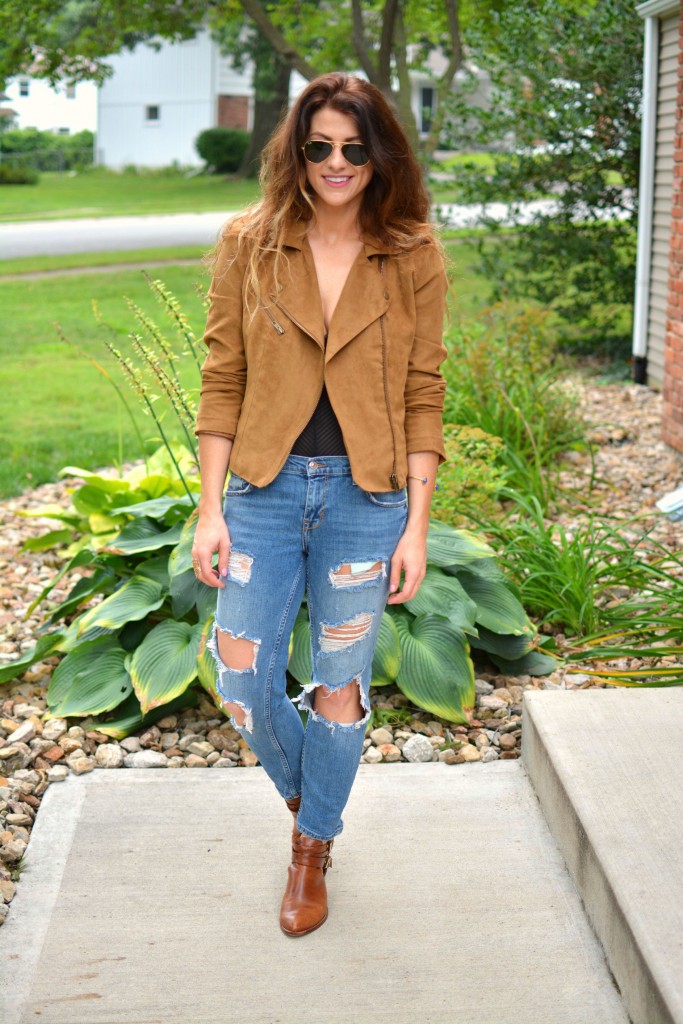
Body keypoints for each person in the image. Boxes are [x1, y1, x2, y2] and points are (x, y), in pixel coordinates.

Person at [192, 72, 448, 937]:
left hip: (364, 501)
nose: (336, 164)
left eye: (353, 148)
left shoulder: (410, 253)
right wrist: (210, 507)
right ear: (295, 152)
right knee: (238, 676)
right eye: (318, 148)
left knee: (338, 687)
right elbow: (222, 378)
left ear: (378, 156)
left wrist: (415, 524)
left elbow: (423, 391)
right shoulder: (250, 244)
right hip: (263, 493)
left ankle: (310, 854)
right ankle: (318, 801)